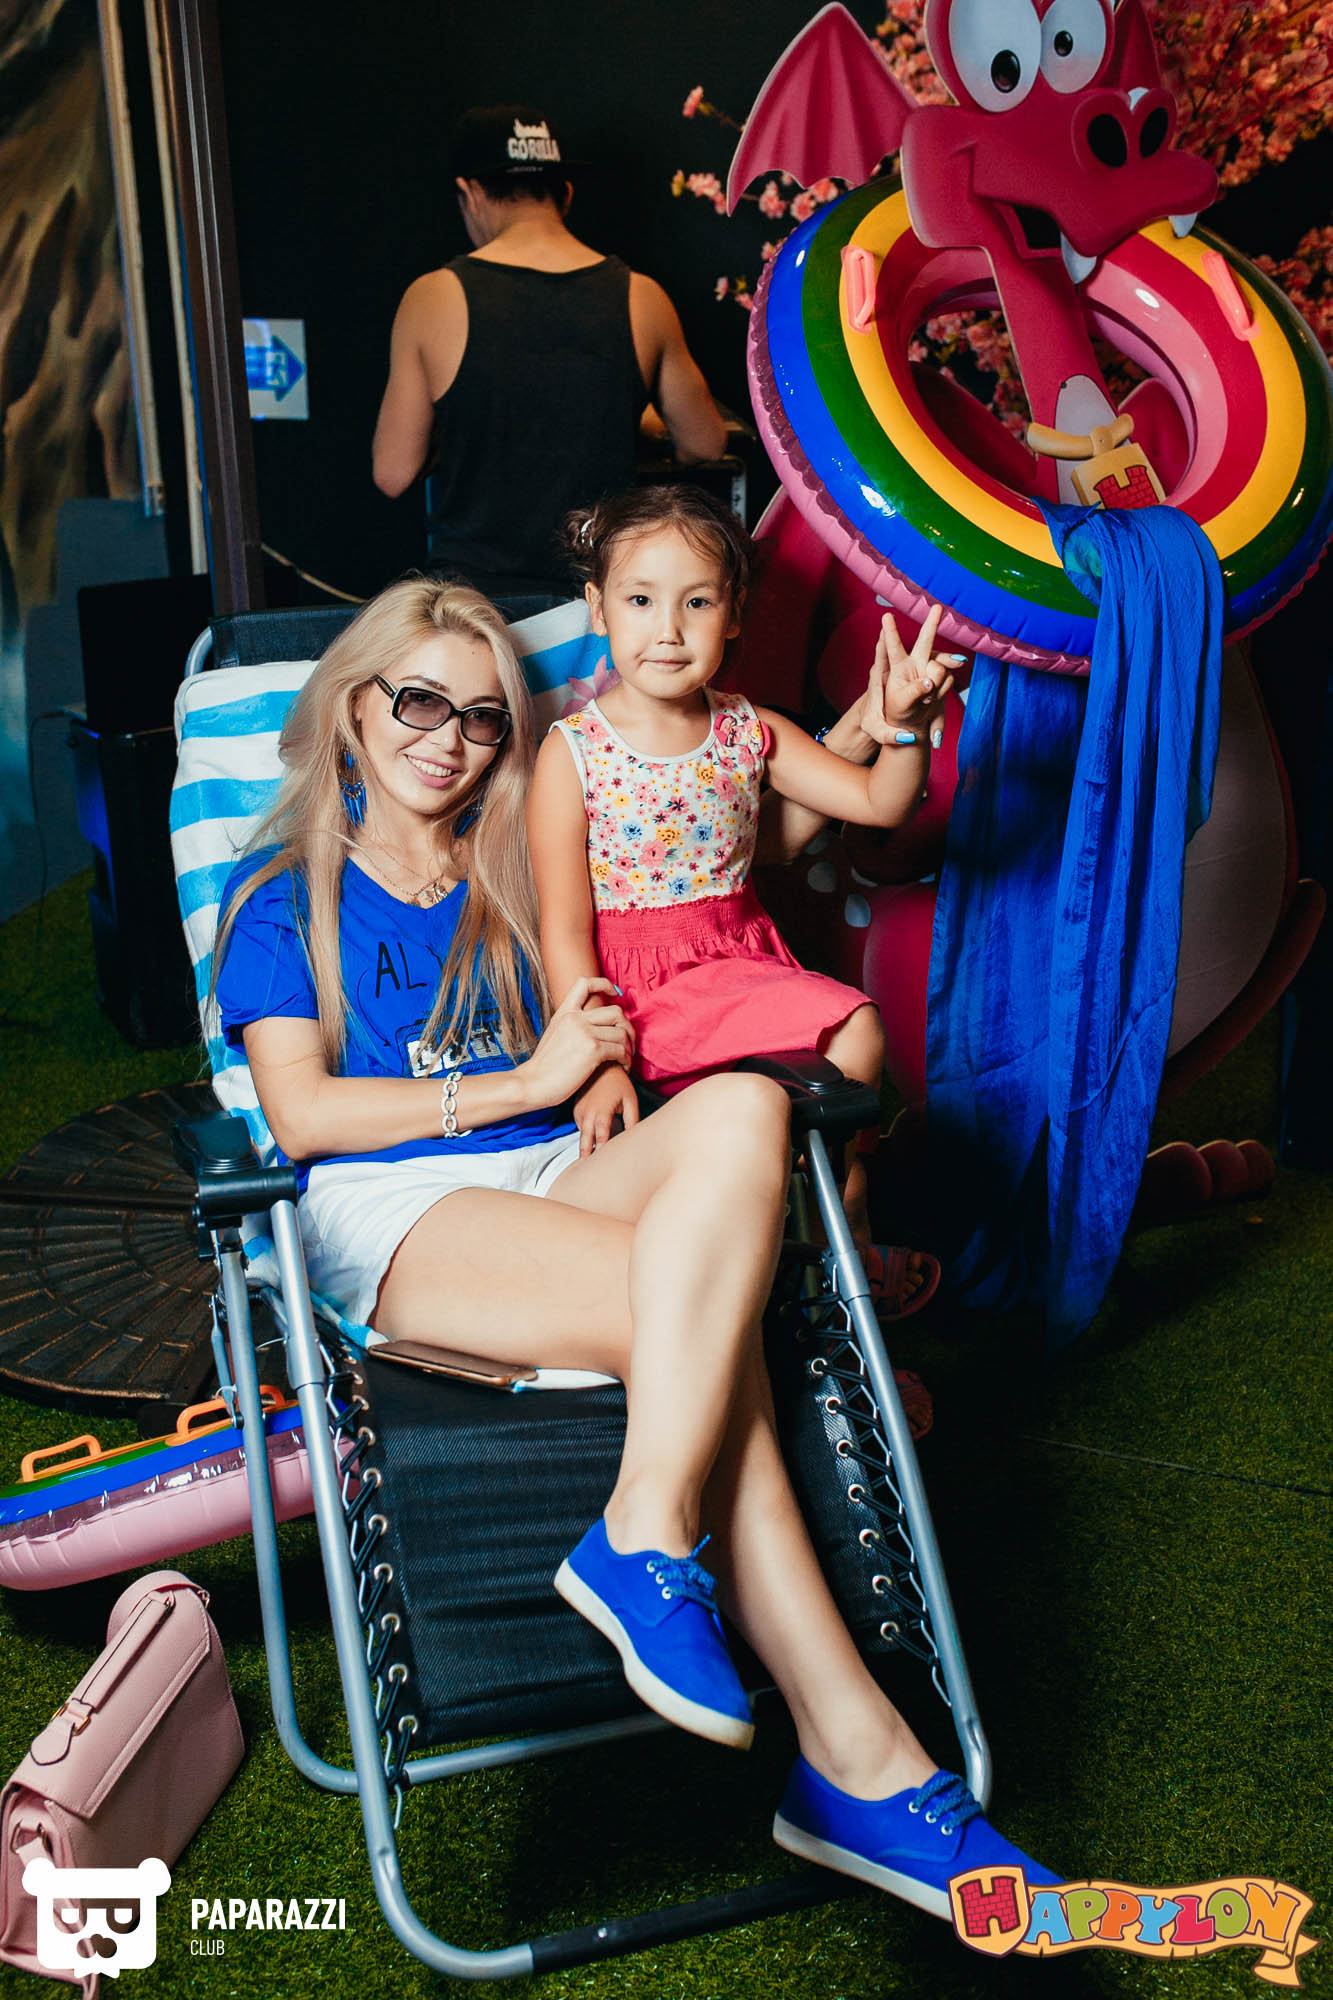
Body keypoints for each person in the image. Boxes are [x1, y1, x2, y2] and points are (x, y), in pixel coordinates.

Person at [210, 575, 1053, 1920]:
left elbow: (725, 829)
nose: (447, 739)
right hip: (393, 1205)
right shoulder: (283, 895)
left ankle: (651, 1529)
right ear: (353, 709)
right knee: (707, 1323)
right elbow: (303, 1115)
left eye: (481, 717)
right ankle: (859, 1755)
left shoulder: (515, 861)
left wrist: (877, 724)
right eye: (417, 701)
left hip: (555, 1167)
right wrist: (523, 1079)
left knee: (744, 1110)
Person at [526, 485, 960, 1290]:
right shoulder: (572, 752)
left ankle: (834, 1233)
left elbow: (879, 802)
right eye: (640, 600)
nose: (667, 628)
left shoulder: (747, 730)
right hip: (635, 997)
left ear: (732, 615)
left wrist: (904, 728)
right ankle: (828, 1233)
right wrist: (596, 1063)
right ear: (597, 608)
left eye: (696, 602)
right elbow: (562, 928)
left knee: (847, 1045)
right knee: (852, 1027)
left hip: (743, 969)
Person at [372, 105, 725, 602]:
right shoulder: (642, 296)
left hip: (475, 607)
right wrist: (629, 416)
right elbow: (704, 444)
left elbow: (393, 473)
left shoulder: (433, 296)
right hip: (597, 598)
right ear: (566, 193)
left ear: (471, 193)